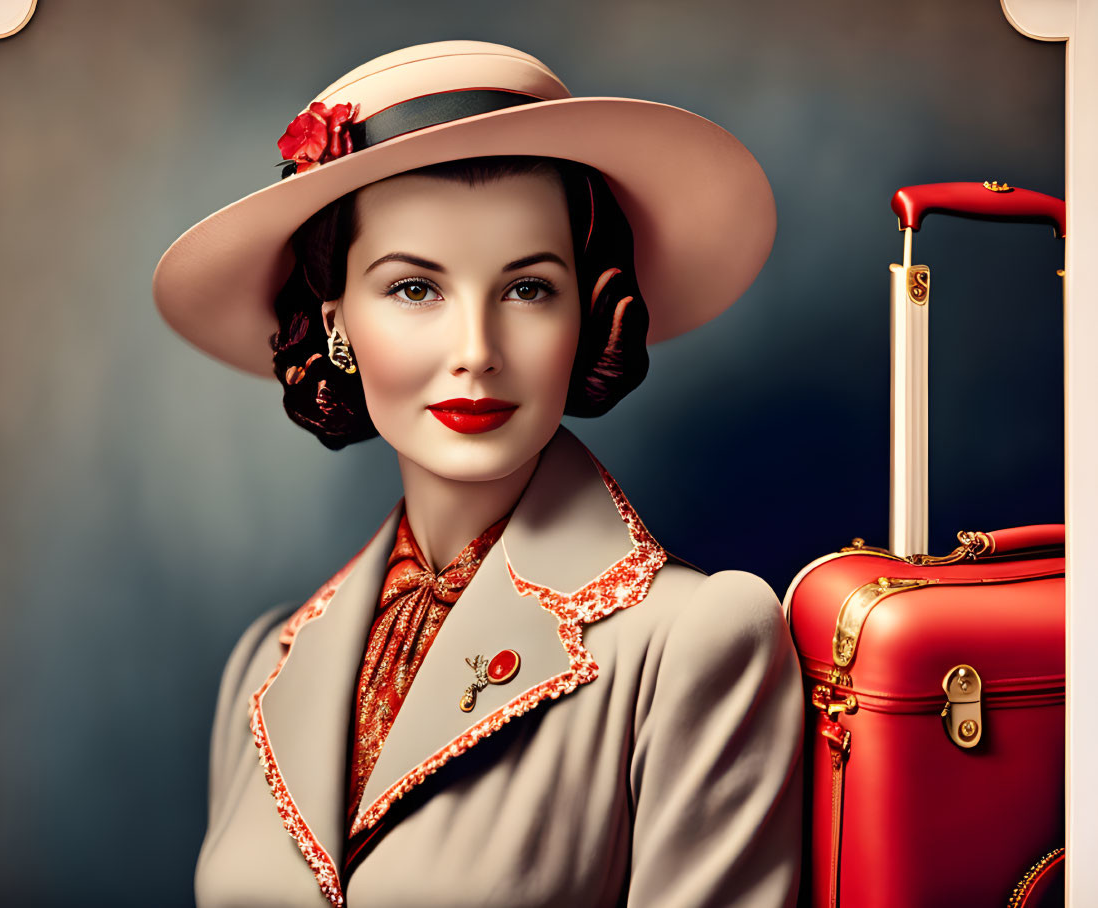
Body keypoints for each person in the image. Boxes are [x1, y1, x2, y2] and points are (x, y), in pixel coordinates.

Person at [153, 40, 803, 907]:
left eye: (527, 289)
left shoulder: (694, 640)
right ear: (335, 321)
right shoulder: (265, 664)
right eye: (415, 290)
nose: (476, 354)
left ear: (588, 312)